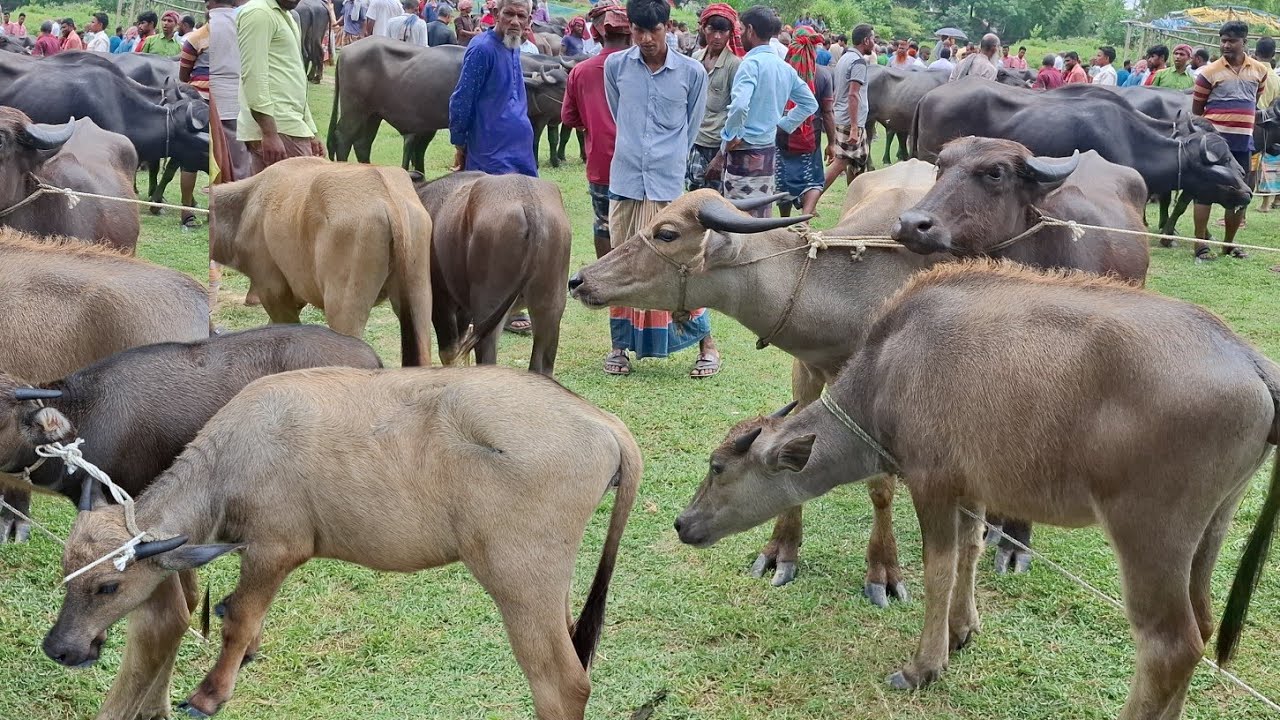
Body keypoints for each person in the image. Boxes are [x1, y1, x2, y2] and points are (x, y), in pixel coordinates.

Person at [602, 0, 716, 377]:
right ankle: (619, 347)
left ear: (668, 27)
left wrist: (669, 160)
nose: (646, 38)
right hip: (627, 181)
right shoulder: (616, 67)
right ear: (630, 29)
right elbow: (618, 115)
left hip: (668, 185)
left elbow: (692, 126)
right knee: (621, 260)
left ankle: (706, 345)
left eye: (654, 29)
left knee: (681, 264)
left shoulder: (692, 72)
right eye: (639, 30)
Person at [712, 6, 816, 218]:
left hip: (743, 150)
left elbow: (739, 106)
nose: (739, 35)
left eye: (741, 29)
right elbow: (809, 103)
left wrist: (730, 136)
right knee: (761, 212)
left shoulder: (750, 64)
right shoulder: (784, 68)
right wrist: (783, 124)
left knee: (737, 216)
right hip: (767, 151)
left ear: (750, 30)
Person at [1191, 20, 1268, 261]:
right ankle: (1200, 246)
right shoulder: (1208, 73)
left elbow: (1253, 100)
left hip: (1242, 145)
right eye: (1223, 40)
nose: (1226, 45)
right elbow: (1197, 111)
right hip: (1213, 146)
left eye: (1232, 41)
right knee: (1204, 193)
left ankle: (1228, 245)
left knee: (1239, 195)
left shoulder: (1260, 71)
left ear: (1244, 41)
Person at [562, 1, 630, 260]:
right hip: (638, 166)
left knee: (603, 223)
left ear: (597, 33)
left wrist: (593, 122)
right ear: (631, 32)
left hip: (601, 163)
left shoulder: (580, 71)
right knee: (639, 224)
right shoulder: (643, 68)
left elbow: (568, 117)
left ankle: (605, 274)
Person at [448, 0, 537, 175]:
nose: (515, 21)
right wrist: (459, 143)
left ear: (529, 20)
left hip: (522, 150)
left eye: (521, 16)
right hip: (490, 152)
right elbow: (462, 99)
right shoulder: (482, 49)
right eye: (509, 14)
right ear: (496, 14)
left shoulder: (513, 44)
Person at [237, 0, 325, 175]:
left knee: (273, 192)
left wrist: (311, 130)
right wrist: (269, 133)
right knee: (302, 188)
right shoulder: (259, 13)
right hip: (278, 125)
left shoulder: (285, 15)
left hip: (287, 124)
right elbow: (254, 75)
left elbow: (293, 77)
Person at [775, 26, 834, 217]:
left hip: (781, 134)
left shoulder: (780, 71)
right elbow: (827, 112)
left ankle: (784, 220)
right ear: (814, 48)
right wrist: (832, 143)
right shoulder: (823, 74)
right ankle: (805, 220)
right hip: (811, 136)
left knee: (782, 180)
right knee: (814, 181)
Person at [686, 3, 742, 194]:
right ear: (704, 29)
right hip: (694, 139)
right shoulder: (695, 59)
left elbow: (738, 111)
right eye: (712, 30)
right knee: (692, 195)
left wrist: (721, 155)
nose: (717, 37)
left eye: (722, 31)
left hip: (716, 144)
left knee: (715, 199)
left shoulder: (734, 64)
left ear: (730, 33)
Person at [824, 22, 873, 189]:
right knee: (841, 163)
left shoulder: (845, 58)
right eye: (872, 39)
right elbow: (853, 94)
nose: (874, 43)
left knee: (856, 162)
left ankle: (854, 199)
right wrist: (853, 127)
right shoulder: (858, 62)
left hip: (842, 116)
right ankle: (810, 200)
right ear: (866, 40)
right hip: (850, 121)